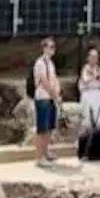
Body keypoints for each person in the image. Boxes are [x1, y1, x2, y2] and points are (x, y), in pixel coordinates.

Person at [31, 38, 61, 168]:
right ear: (44, 48)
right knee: (42, 128)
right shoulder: (40, 63)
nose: (52, 49)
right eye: (50, 47)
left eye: (53, 47)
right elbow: (44, 81)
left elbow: (54, 79)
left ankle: (46, 152)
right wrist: (53, 94)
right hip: (43, 98)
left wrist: (57, 92)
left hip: (51, 98)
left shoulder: (50, 63)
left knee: (49, 127)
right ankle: (39, 157)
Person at [76, 48, 100, 161]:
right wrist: (95, 75)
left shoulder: (99, 69)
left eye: (96, 57)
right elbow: (86, 80)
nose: (94, 59)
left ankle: (97, 152)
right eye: (92, 57)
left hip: (97, 95)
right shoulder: (85, 69)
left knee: (98, 123)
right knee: (87, 122)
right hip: (87, 94)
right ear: (88, 58)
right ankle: (83, 152)